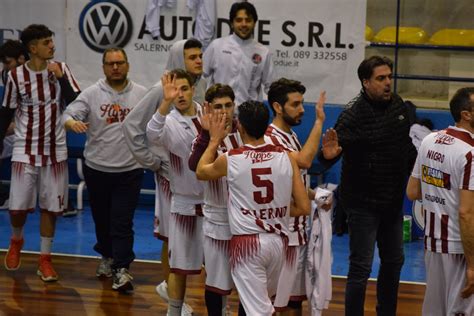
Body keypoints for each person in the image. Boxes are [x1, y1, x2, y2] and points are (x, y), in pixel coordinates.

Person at [318, 55, 417, 315]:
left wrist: (419, 175)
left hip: (392, 202)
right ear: (365, 82)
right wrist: (326, 156)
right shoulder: (353, 115)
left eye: (389, 77)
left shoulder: (398, 106)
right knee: (361, 267)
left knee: (394, 261)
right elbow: (331, 152)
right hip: (362, 205)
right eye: (380, 78)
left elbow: (406, 148)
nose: (387, 83)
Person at [195, 100, 310, 315]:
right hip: (278, 241)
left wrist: (213, 141)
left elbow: (201, 171)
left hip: (247, 243)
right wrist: (276, 211)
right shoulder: (286, 156)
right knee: (260, 305)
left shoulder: (232, 158)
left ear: (241, 127)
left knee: (259, 311)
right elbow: (303, 207)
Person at [122, 38, 204, 314]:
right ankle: (172, 297)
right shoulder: (161, 89)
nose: (199, 60)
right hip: (172, 177)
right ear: (178, 59)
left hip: (196, 178)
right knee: (173, 239)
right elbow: (132, 124)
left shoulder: (197, 87)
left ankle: (172, 292)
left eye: (200, 55)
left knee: (188, 240)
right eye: (192, 56)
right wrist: (151, 161)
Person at [0, 24, 80, 282]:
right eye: (46, 42)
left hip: (55, 149)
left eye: (51, 41)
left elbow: (77, 103)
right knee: (17, 208)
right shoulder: (15, 77)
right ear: (33, 48)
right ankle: (16, 239)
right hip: (25, 148)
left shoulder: (61, 69)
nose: (52, 46)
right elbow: (7, 111)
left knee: (51, 207)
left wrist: (62, 79)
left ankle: (45, 259)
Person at [63, 48, 146, 292]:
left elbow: (158, 121)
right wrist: (72, 123)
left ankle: (122, 268)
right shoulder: (91, 94)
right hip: (97, 169)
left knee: (122, 220)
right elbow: (68, 114)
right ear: (104, 67)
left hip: (129, 170)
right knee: (102, 220)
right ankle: (107, 257)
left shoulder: (142, 94)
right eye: (110, 63)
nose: (116, 67)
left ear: (127, 65)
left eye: (120, 63)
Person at [406, 87, 474, 315]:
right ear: (466, 114)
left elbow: (412, 191)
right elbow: (466, 213)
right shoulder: (470, 154)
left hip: (432, 245)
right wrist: (473, 264)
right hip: (460, 248)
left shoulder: (429, 140)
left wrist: (440, 194)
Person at [264, 78, 326, 314]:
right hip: (282, 235)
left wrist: (315, 195)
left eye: (302, 103)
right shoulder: (272, 138)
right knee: (279, 303)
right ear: (278, 107)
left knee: (294, 301)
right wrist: (319, 121)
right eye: (295, 104)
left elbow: (296, 181)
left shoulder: (290, 135)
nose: (302, 109)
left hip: (297, 232)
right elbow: (304, 161)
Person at [146, 70, 203, 316]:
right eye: (175, 90)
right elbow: (150, 133)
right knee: (178, 267)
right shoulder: (167, 121)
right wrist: (165, 102)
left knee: (217, 266)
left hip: (213, 204)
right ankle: (173, 311)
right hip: (183, 203)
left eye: (184, 89)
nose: (180, 94)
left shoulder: (207, 114)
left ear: (193, 90)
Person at [188, 84, 242, 315]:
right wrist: (207, 136)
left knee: (246, 283)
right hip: (218, 221)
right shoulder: (202, 137)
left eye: (228, 105)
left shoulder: (246, 133)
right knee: (216, 284)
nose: (224, 111)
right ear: (208, 109)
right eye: (218, 106)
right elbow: (193, 165)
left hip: (244, 221)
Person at [203, 1, 273, 107]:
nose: (244, 24)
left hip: (249, 117)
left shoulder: (263, 52)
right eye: (239, 20)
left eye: (248, 20)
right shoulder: (217, 46)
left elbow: (271, 87)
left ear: (254, 23)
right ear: (232, 23)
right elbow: (200, 75)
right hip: (218, 112)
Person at [0, 40, 29, 208]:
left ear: (21, 59)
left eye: (8, 62)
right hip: (19, 128)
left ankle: (63, 200)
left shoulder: (36, 76)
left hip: (38, 129)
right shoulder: (9, 75)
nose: (5, 67)